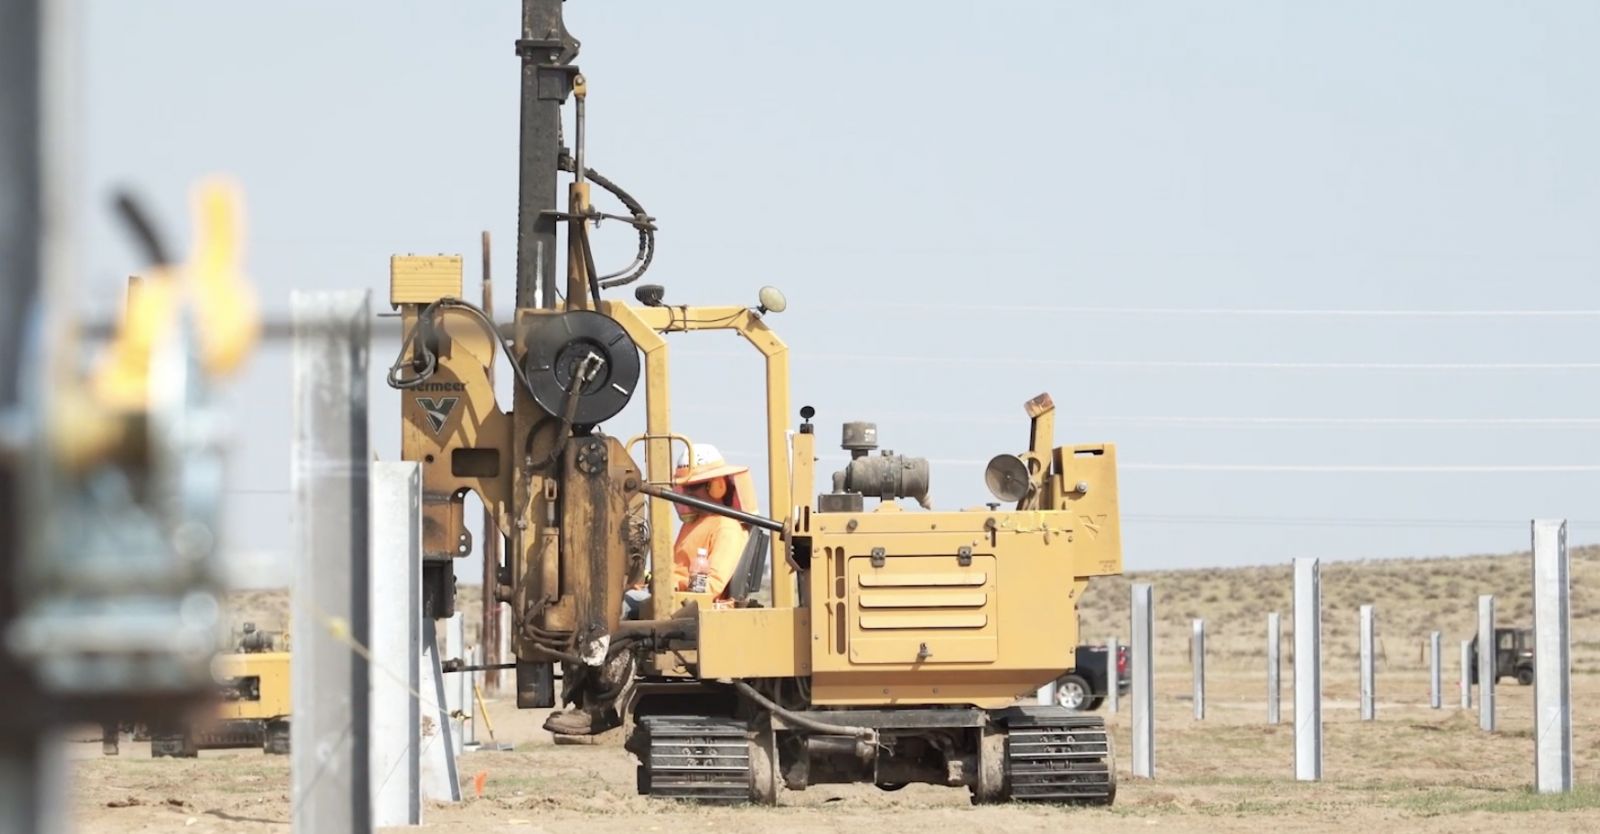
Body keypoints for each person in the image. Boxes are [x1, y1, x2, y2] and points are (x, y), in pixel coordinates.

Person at [621, 444, 750, 620]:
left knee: (617, 609)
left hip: (685, 606)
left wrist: (669, 585)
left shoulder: (727, 528)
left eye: (693, 487)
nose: (686, 493)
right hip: (668, 597)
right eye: (685, 488)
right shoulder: (692, 525)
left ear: (717, 486)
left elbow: (712, 586)